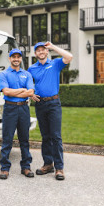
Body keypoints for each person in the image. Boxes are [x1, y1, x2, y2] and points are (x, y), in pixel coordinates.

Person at [28, 42, 73, 181]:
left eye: (43, 50)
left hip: (54, 103)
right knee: (45, 136)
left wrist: (53, 47)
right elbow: (28, 84)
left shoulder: (55, 64)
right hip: (40, 104)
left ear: (46, 52)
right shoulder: (32, 68)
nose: (41, 52)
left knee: (56, 136)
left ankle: (59, 168)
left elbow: (69, 56)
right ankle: (48, 164)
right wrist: (31, 94)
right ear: (35, 54)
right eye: (38, 51)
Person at [0, 49, 35, 180]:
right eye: (13, 57)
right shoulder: (4, 74)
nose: (16, 59)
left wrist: (20, 92)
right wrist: (21, 90)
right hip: (10, 109)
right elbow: (6, 92)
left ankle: (26, 167)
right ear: (9, 59)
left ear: (21, 59)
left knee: (24, 139)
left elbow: (31, 92)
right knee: (7, 139)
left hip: (24, 109)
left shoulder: (27, 74)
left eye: (18, 57)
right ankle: (4, 168)